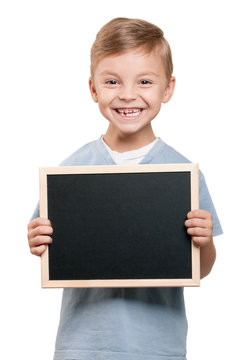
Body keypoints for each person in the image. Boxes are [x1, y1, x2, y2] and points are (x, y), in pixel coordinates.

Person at [27, 17, 223, 360]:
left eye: (144, 81)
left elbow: (202, 267)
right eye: (113, 81)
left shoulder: (183, 174)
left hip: (156, 346)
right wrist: (37, 239)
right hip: (82, 344)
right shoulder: (70, 170)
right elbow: (49, 250)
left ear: (168, 88)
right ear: (93, 89)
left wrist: (203, 241)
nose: (128, 94)